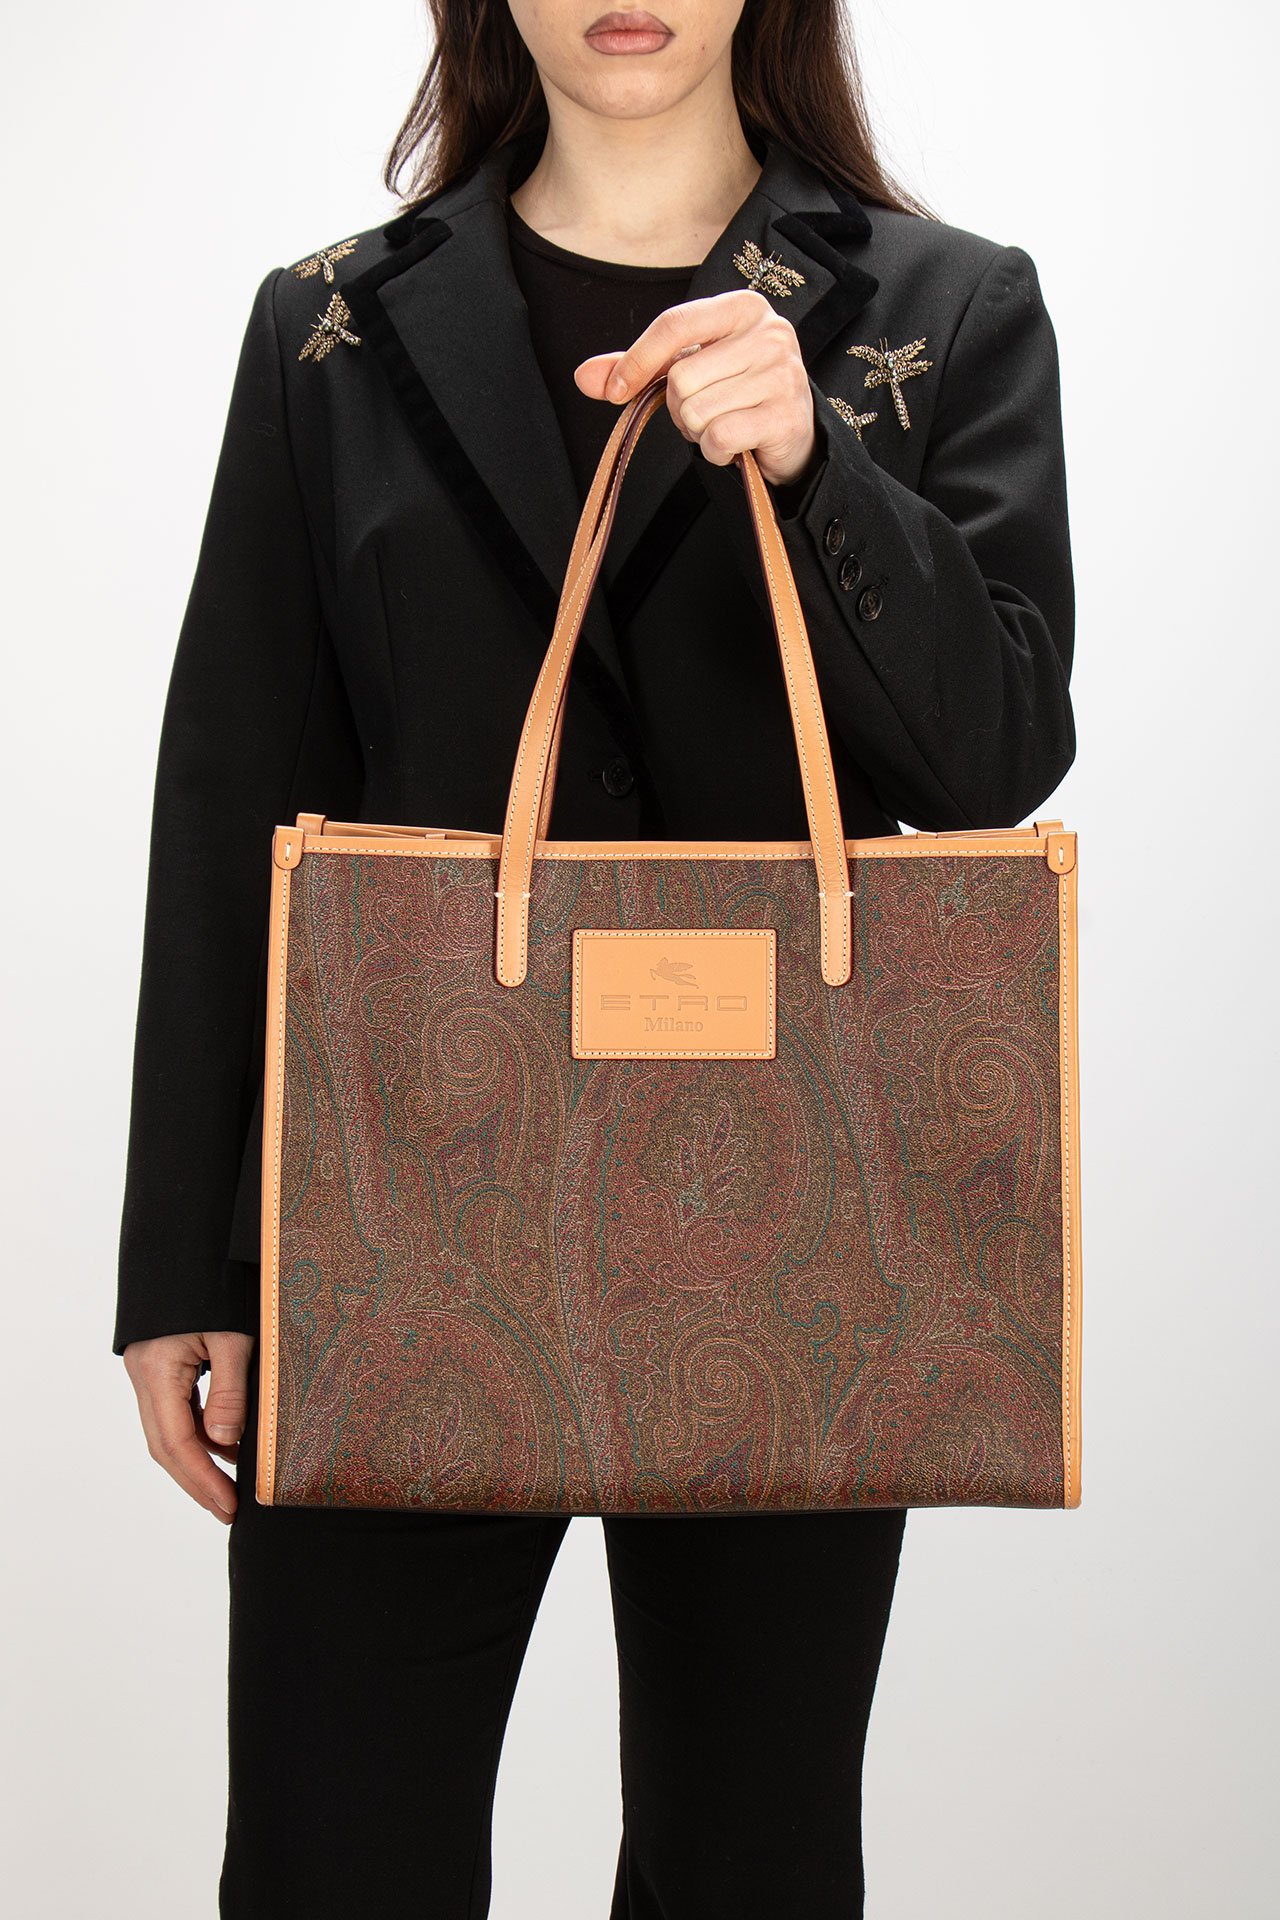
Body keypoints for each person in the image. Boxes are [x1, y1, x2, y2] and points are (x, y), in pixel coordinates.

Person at [113, 2, 1076, 1913]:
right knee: (329, 1855)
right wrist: (183, 1261)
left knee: (751, 1860)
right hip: (395, 1202)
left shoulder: (945, 306)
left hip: (798, 1223)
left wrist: (818, 470)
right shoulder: (328, 325)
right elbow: (234, 791)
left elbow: (993, 761)